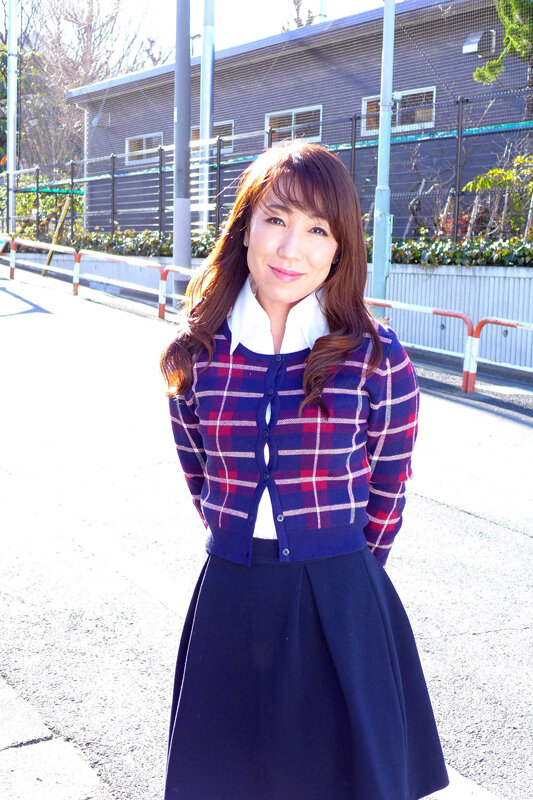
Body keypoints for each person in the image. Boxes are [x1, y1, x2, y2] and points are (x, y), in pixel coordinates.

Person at [160, 141, 449, 800]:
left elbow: (389, 482)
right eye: (275, 220)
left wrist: (344, 567)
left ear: (340, 248)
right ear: (244, 230)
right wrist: (236, 538)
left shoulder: (375, 357)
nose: (292, 248)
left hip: (342, 597)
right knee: (228, 779)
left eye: (318, 229)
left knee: (334, 779)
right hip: (230, 590)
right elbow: (198, 470)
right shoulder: (197, 353)